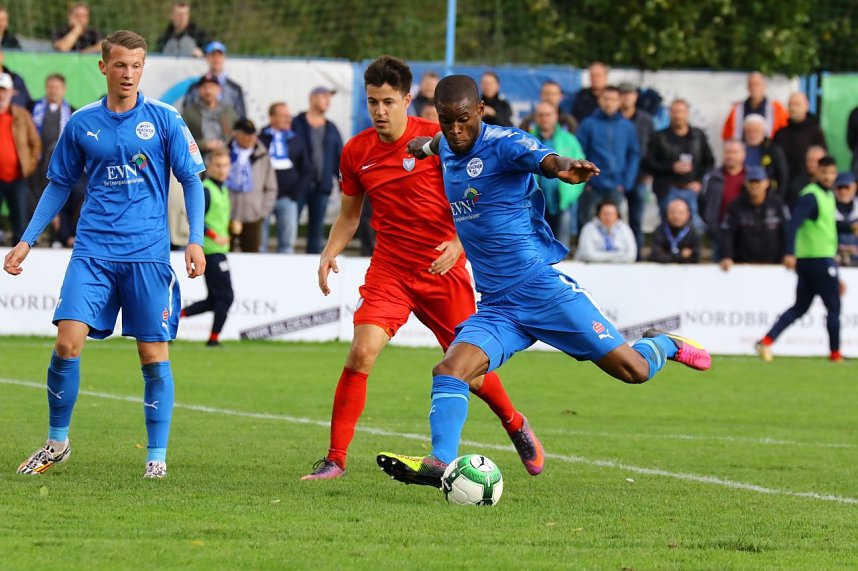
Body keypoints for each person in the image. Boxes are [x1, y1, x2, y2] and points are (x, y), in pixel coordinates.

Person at [376, 75, 711, 487]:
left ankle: (664, 342)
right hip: (499, 306)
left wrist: (565, 168)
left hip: (543, 291)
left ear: (481, 111)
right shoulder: (446, 143)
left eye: (463, 120)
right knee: (450, 369)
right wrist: (419, 145)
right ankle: (438, 461)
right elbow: (435, 144)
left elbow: (544, 159)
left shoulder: (504, 143)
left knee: (633, 371)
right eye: (446, 121)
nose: (455, 130)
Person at [302, 57, 542, 482]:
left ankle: (514, 422)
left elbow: (482, 199)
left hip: (442, 270)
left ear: (408, 100)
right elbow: (349, 216)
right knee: (361, 353)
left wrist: (459, 243)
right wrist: (328, 251)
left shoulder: (440, 139)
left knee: (470, 369)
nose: (379, 111)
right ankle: (335, 459)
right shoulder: (356, 151)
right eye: (373, 102)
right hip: (391, 270)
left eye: (388, 102)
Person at [4, 30, 206, 478]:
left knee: (154, 358)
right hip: (92, 251)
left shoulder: (166, 118)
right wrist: (27, 239)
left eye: (136, 65)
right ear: (103, 67)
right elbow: (58, 183)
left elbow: (191, 179)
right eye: (119, 65)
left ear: (143, 68)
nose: (128, 74)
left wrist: (195, 239)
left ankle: (156, 458)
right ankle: (57, 443)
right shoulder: (81, 122)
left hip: (147, 255)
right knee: (66, 343)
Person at [756, 156, 842, 363]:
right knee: (834, 308)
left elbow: (822, 226)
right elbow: (793, 224)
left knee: (800, 307)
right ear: (817, 172)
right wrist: (789, 252)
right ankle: (835, 354)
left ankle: (767, 340)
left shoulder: (827, 195)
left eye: (832, 173)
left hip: (812, 259)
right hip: (818, 259)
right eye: (825, 172)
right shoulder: (811, 197)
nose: (828, 177)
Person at [180, 148, 235, 346]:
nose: (222, 170)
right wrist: (214, 235)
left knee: (215, 299)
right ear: (209, 166)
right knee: (226, 296)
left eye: (225, 165)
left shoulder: (223, 188)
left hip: (220, 250)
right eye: (218, 165)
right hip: (210, 251)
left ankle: (173, 319)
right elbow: (195, 218)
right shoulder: (206, 189)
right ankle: (213, 339)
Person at [644, 99, 714, 228]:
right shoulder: (659, 137)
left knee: (696, 227)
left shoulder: (698, 136)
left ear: (687, 113)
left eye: (681, 112)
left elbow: (709, 162)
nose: (678, 116)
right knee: (667, 226)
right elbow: (648, 164)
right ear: (670, 114)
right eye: (675, 112)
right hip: (667, 189)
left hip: (692, 188)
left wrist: (699, 181)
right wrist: (671, 167)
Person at [575, 85, 639, 225]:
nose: (609, 102)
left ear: (619, 102)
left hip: (617, 185)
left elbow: (633, 155)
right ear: (600, 101)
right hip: (593, 185)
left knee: (617, 227)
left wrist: (626, 182)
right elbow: (578, 153)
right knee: (587, 226)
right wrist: (585, 181)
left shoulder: (627, 126)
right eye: (606, 99)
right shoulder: (588, 124)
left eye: (613, 99)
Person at [292, 86, 343, 254]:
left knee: (316, 232)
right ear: (312, 98)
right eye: (324, 96)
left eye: (330, 97)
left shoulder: (332, 128)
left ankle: (313, 268)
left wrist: (345, 185)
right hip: (298, 186)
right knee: (291, 227)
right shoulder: (296, 123)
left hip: (322, 187)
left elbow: (339, 160)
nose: (328, 100)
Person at [529, 101, 585, 245]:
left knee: (562, 243)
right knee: (538, 245)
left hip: (563, 201)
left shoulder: (569, 140)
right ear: (535, 118)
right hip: (534, 201)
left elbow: (581, 167)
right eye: (540, 115)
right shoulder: (527, 140)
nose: (544, 118)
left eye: (548, 115)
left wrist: (570, 195)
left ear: (556, 116)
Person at [258, 102, 311, 253]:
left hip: (288, 197)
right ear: (272, 117)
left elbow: (306, 169)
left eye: (289, 116)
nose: (289, 119)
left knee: (288, 244)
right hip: (264, 198)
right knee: (259, 242)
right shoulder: (261, 140)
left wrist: (296, 193)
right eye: (284, 116)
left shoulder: (296, 140)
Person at [718, 166, 788, 271]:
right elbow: (727, 233)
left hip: (774, 267)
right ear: (745, 183)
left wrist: (789, 253)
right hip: (743, 267)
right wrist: (727, 256)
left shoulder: (778, 204)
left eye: (758, 182)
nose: (754, 186)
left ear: (766, 183)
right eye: (751, 182)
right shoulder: (735, 206)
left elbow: (787, 230)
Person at [225, 118, 277, 253]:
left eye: (253, 134)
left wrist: (262, 211)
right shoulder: (225, 153)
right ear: (236, 134)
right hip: (226, 214)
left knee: (251, 255)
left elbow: (271, 186)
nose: (251, 138)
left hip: (252, 215)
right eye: (246, 134)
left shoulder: (262, 155)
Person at [0, 72, 40, 246]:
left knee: (21, 225)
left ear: (11, 92)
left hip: (18, 178)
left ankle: (20, 267)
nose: (1, 94)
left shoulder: (22, 115)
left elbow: (35, 143)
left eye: (4, 90)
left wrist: (28, 167)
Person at [619, 81, 654, 256]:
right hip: (616, 178)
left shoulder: (645, 120)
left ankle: (637, 257)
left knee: (636, 221)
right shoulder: (613, 118)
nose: (626, 98)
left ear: (636, 97)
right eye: (623, 94)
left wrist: (648, 172)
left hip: (640, 176)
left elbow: (652, 148)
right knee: (614, 220)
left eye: (630, 94)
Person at [772, 92, 826, 192]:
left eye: (797, 104)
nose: (793, 108)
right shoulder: (781, 134)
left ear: (806, 106)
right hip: (784, 188)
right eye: (790, 104)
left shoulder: (815, 132)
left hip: (809, 187)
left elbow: (822, 161)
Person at [181, 41, 246, 120]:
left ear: (224, 57)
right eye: (212, 55)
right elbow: (186, 114)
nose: (216, 59)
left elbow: (241, 117)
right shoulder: (195, 87)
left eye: (219, 55)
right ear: (207, 57)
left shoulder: (235, 89)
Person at [701, 140, 746, 252]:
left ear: (743, 155)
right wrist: (712, 227)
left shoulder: (751, 178)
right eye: (728, 152)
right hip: (721, 233)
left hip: (746, 234)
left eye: (735, 152)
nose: (730, 156)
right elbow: (703, 203)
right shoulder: (711, 177)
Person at [722, 72, 788, 141]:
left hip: (768, 149)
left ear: (765, 86)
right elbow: (727, 135)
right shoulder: (737, 110)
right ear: (747, 87)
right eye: (751, 84)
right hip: (743, 149)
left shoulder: (777, 108)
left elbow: (784, 133)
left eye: (757, 84)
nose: (754, 88)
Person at [182, 74, 238, 156]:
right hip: (199, 158)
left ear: (219, 89)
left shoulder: (229, 112)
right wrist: (204, 145)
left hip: (226, 158)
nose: (208, 91)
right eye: (204, 87)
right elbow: (182, 139)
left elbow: (237, 135)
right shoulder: (189, 113)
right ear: (198, 90)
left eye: (211, 87)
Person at [743, 114, 788, 196]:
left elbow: (783, 178)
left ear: (764, 132)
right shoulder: (739, 149)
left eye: (756, 131)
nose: (752, 135)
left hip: (769, 196)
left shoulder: (773, 150)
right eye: (749, 131)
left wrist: (778, 199)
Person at [649, 198, 700, 264]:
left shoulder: (693, 233)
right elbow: (656, 255)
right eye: (673, 212)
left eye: (680, 213)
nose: (676, 216)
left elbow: (695, 257)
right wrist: (680, 256)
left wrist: (668, 255)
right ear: (667, 214)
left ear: (687, 215)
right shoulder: (660, 231)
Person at [786, 145, 826, 211]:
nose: (812, 165)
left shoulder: (831, 185)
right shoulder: (797, 185)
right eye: (810, 161)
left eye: (816, 161)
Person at [834, 172, 858, 267]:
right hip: (833, 260)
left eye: (847, 187)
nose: (843, 192)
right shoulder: (828, 205)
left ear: (854, 187)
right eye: (840, 187)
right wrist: (851, 227)